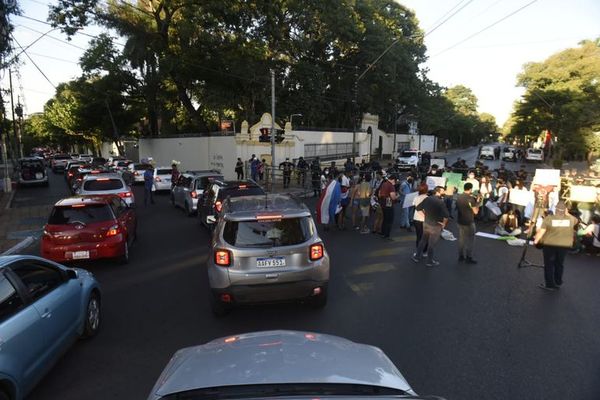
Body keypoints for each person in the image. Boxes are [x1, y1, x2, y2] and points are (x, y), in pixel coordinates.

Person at [534, 201, 578, 291]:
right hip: (564, 245)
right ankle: (558, 282)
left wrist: (536, 241)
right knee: (559, 264)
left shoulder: (549, 219)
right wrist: (566, 213)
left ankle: (549, 284)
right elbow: (576, 221)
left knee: (549, 264)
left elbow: (541, 232)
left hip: (550, 245)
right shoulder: (570, 220)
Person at [412, 186, 449, 267]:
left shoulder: (427, 199)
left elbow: (418, 208)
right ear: (438, 192)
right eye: (443, 191)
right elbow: (446, 216)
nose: (444, 192)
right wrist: (443, 225)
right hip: (436, 226)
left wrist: (425, 216)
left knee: (423, 240)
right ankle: (429, 261)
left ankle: (417, 256)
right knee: (431, 244)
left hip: (426, 223)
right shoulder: (440, 202)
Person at [456, 182, 480, 264]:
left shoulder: (459, 197)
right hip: (469, 221)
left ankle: (461, 256)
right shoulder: (470, 199)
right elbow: (475, 212)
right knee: (471, 240)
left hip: (460, 220)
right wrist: (478, 202)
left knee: (461, 239)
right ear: (470, 189)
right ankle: (469, 257)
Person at [412, 183, 429, 258]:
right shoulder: (428, 198)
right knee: (426, 236)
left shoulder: (416, 198)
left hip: (417, 219)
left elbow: (414, 206)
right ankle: (425, 252)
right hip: (426, 220)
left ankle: (418, 252)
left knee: (419, 236)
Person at [378, 174, 398, 239]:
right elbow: (393, 197)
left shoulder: (384, 184)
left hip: (383, 203)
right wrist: (397, 196)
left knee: (385, 218)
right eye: (395, 181)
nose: (395, 183)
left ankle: (383, 232)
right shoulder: (391, 186)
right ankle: (387, 235)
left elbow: (379, 193)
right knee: (389, 220)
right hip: (389, 204)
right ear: (393, 180)